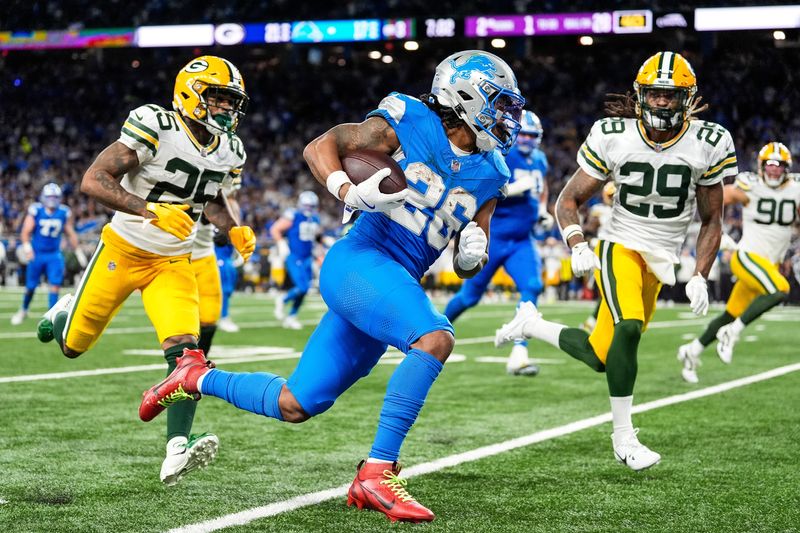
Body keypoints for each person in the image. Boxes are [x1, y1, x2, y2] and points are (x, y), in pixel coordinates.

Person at [139, 50, 524, 522]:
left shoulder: (494, 172)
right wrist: (346, 189)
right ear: (463, 95)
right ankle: (377, 473)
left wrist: (472, 253)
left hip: (392, 281)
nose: (507, 118)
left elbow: (471, 249)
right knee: (435, 337)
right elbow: (320, 146)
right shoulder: (410, 117)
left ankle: (193, 376)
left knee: (298, 402)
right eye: (499, 104)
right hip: (360, 259)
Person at [496, 51, 736, 471]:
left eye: (671, 94)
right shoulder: (612, 135)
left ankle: (529, 324)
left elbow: (713, 218)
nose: (662, 102)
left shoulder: (710, 142)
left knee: (601, 355)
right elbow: (568, 199)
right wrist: (577, 243)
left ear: (688, 98)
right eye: (655, 94)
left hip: (661, 258)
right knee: (627, 328)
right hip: (619, 244)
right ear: (641, 95)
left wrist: (700, 273)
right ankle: (624, 438)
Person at [35, 55, 256, 485]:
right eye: (220, 99)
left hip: (173, 260)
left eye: (233, 103)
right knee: (73, 347)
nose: (228, 110)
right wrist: (149, 209)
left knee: (188, 355)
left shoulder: (230, 149)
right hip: (123, 249)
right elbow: (94, 179)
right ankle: (65, 311)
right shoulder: (155, 123)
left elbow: (209, 197)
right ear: (192, 95)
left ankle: (177, 448)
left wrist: (233, 229)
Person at [677, 142, 798, 383]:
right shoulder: (749, 186)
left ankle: (692, 351)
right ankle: (732, 334)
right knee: (780, 289)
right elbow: (716, 197)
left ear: (787, 168)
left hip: (767, 266)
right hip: (747, 258)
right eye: (770, 164)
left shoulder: (795, 189)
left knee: (729, 314)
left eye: (780, 165)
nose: (774, 170)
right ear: (761, 166)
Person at [443, 110, 549, 376]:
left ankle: (519, 352)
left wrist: (544, 210)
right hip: (495, 236)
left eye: (532, 136)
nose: (526, 140)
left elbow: (542, 188)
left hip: (521, 240)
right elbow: (479, 191)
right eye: (523, 134)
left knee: (533, 286)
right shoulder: (498, 155)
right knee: (469, 297)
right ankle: (431, 332)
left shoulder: (539, 159)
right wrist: (514, 188)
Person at [11, 183, 83, 325]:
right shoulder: (36, 210)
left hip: (54, 255)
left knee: (55, 285)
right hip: (37, 254)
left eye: (55, 196)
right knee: (30, 287)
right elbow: (26, 231)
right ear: (43, 197)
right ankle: (24, 309)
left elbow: (70, 232)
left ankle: (51, 317)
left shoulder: (63, 212)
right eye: (49, 196)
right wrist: (27, 248)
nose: (52, 199)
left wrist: (78, 250)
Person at [271, 190, 322, 330]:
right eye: (307, 205)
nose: (308, 209)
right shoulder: (293, 215)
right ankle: (283, 299)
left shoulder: (315, 219)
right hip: (294, 256)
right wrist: (281, 243)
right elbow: (275, 229)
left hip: (307, 257)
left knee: (305, 290)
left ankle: (292, 316)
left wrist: (321, 245)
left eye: (311, 206)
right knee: (302, 287)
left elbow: (315, 238)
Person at [581, 181, 617, 332]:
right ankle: (595, 321)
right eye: (611, 195)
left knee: (612, 288)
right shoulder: (599, 210)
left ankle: (596, 321)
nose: (613, 198)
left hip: (618, 250)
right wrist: (592, 242)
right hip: (602, 251)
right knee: (607, 288)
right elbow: (587, 231)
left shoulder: (625, 211)